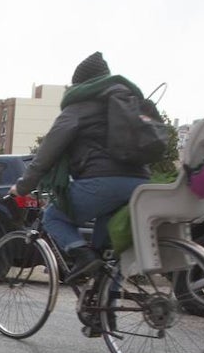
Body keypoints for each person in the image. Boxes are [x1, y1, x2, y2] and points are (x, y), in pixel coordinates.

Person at [10, 51, 152, 283]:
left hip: (103, 181)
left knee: (54, 216)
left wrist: (23, 186)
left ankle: (82, 257)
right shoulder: (130, 102)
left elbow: (46, 154)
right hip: (141, 182)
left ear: (80, 84)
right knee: (109, 250)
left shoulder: (78, 107)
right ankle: (105, 313)